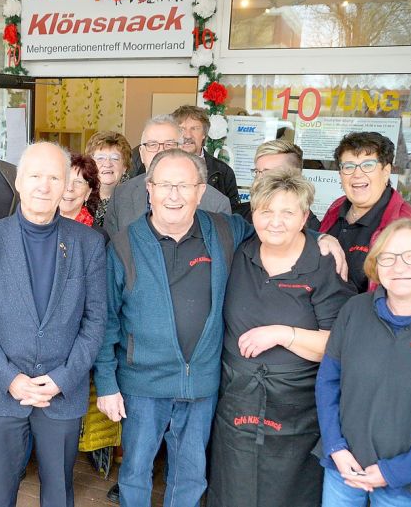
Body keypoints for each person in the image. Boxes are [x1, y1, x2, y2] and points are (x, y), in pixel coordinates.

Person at [94, 149, 344, 507]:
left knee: (191, 473)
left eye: (185, 185)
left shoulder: (226, 231)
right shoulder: (123, 245)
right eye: (165, 185)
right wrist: (106, 384)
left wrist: (321, 236)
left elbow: (276, 225)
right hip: (142, 384)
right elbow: (107, 321)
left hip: (203, 383)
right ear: (149, 189)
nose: (175, 195)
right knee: (135, 470)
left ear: (200, 191)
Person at [0, 142, 107, 507]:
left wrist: (62, 379)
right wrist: (10, 378)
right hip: (1, 392)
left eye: (54, 177)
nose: (44, 185)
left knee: (59, 491)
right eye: (35, 176)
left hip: (62, 391)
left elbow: (95, 320)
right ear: (19, 182)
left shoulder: (89, 243)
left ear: (66, 186)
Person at [207, 169, 356, 507]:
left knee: (286, 492)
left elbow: (339, 345)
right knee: (233, 487)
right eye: (266, 211)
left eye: (288, 212)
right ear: (253, 213)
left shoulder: (322, 263)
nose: (275, 221)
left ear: (305, 216)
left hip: (296, 409)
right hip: (236, 399)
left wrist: (282, 334)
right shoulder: (238, 253)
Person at [316, 218, 411, 507]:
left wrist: (393, 472)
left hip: (410, 483)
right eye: (388, 257)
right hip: (344, 469)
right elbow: (328, 383)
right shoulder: (354, 311)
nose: (399, 266)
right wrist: (336, 448)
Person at [61, 153, 117, 474]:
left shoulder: (98, 236)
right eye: (65, 180)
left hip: (80, 332)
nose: (70, 189)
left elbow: (100, 296)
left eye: (79, 182)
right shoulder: (34, 225)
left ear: (89, 191)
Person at [320, 131, 411, 292]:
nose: (357, 174)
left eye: (368, 165)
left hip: (366, 315)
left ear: (386, 172)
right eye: (348, 166)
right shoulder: (338, 207)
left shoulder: (410, 225)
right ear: (340, 174)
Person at [105, 115, 231, 236]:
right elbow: (114, 251)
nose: (160, 151)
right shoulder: (121, 196)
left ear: (182, 150)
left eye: (169, 144)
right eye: (152, 145)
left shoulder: (216, 204)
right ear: (142, 154)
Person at [128, 106, 240, 210]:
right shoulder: (144, 162)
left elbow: (232, 215)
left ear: (204, 134)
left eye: (195, 128)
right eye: (182, 129)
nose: (187, 135)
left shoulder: (222, 172)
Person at [237, 139, 321, 230]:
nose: (259, 179)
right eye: (257, 172)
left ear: (294, 177)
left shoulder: (311, 227)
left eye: (268, 173)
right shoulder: (239, 216)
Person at [84, 131, 131, 227]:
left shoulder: (134, 198)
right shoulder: (78, 194)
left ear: (125, 166)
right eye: (100, 158)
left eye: (115, 158)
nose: (107, 164)